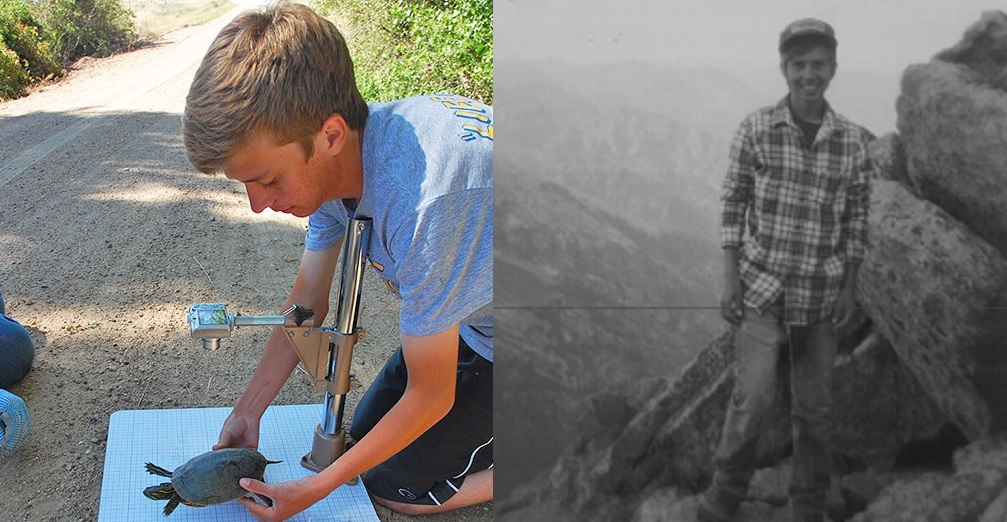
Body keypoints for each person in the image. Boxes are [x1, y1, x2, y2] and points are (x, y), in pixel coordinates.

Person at [182, 3, 493, 520]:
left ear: (328, 135)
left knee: (396, 489)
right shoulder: (343, 158)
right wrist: (248, 409)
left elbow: (431, 394)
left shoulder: (426, 205)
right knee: (364, 447)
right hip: (478, 320)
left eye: (268, 179)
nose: (256, 204)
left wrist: (315, 489)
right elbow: (306, 303)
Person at [697, 18, 873, 522]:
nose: (808, 75)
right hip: (761, 289)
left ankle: (807, 506)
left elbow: (857, 220)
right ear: (784, 69)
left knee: (814, 411)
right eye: (799, 65)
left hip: (820, 297)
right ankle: (723, 497)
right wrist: (730, 278)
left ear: (833, 68)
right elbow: (734, 203)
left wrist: (850, 287)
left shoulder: (851, 144)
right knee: (752, 399)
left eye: (818, 64)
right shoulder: (756, 129)